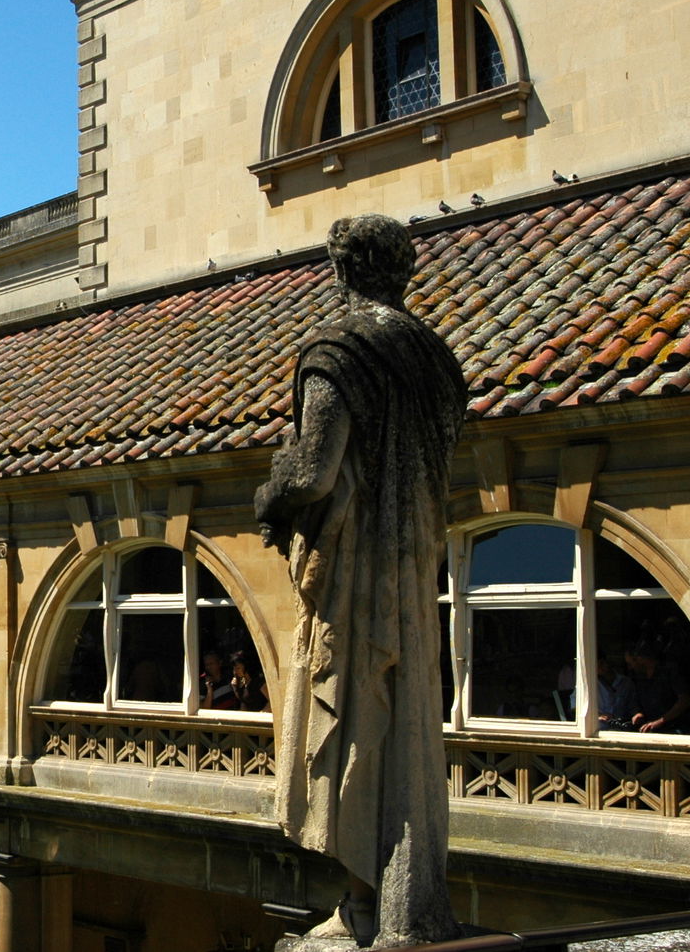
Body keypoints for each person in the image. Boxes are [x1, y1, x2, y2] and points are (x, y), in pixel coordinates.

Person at [254, 214, 465, 948]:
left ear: (340, 271)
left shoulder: (337, 350)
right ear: (403, 272)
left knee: (351, 714)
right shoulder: (437, 359)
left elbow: (313, 469)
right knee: (405, 716)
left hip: (356, 571)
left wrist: (269, 497)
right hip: (414, 564)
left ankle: (368, 904)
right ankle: (400, 901)